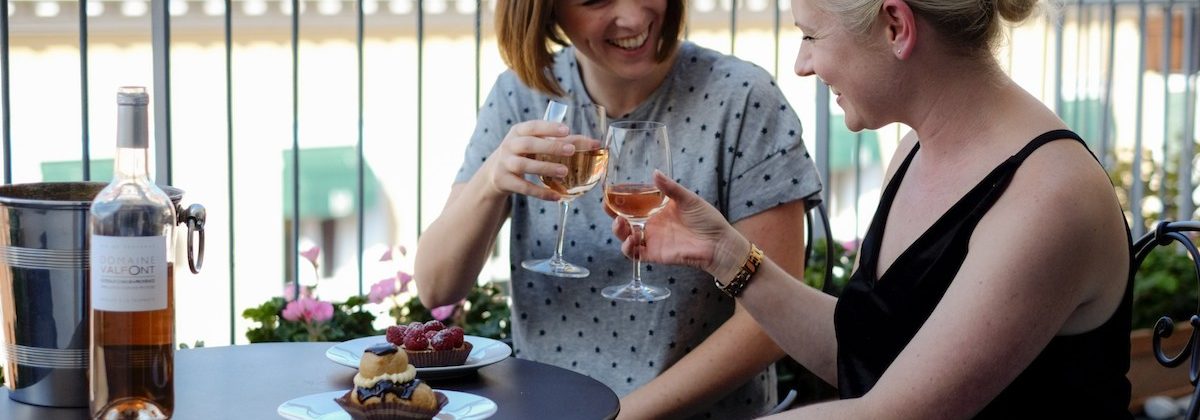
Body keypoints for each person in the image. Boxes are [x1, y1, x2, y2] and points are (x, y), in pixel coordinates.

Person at [614, 0, 1134, 418]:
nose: (802, 63)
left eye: (811, 35)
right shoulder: (915, 149)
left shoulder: (1048, 196)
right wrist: (726, 254)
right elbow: (867, 350)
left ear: (895, 26)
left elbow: (896, 411)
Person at [413, 0, 824, 418]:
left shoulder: (741, 98)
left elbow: (768, 327)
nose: (632, 17)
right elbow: (436, 287)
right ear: (545, 11)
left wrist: (616, 416)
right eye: (595, 0)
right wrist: (490, 179)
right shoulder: (519, 95)